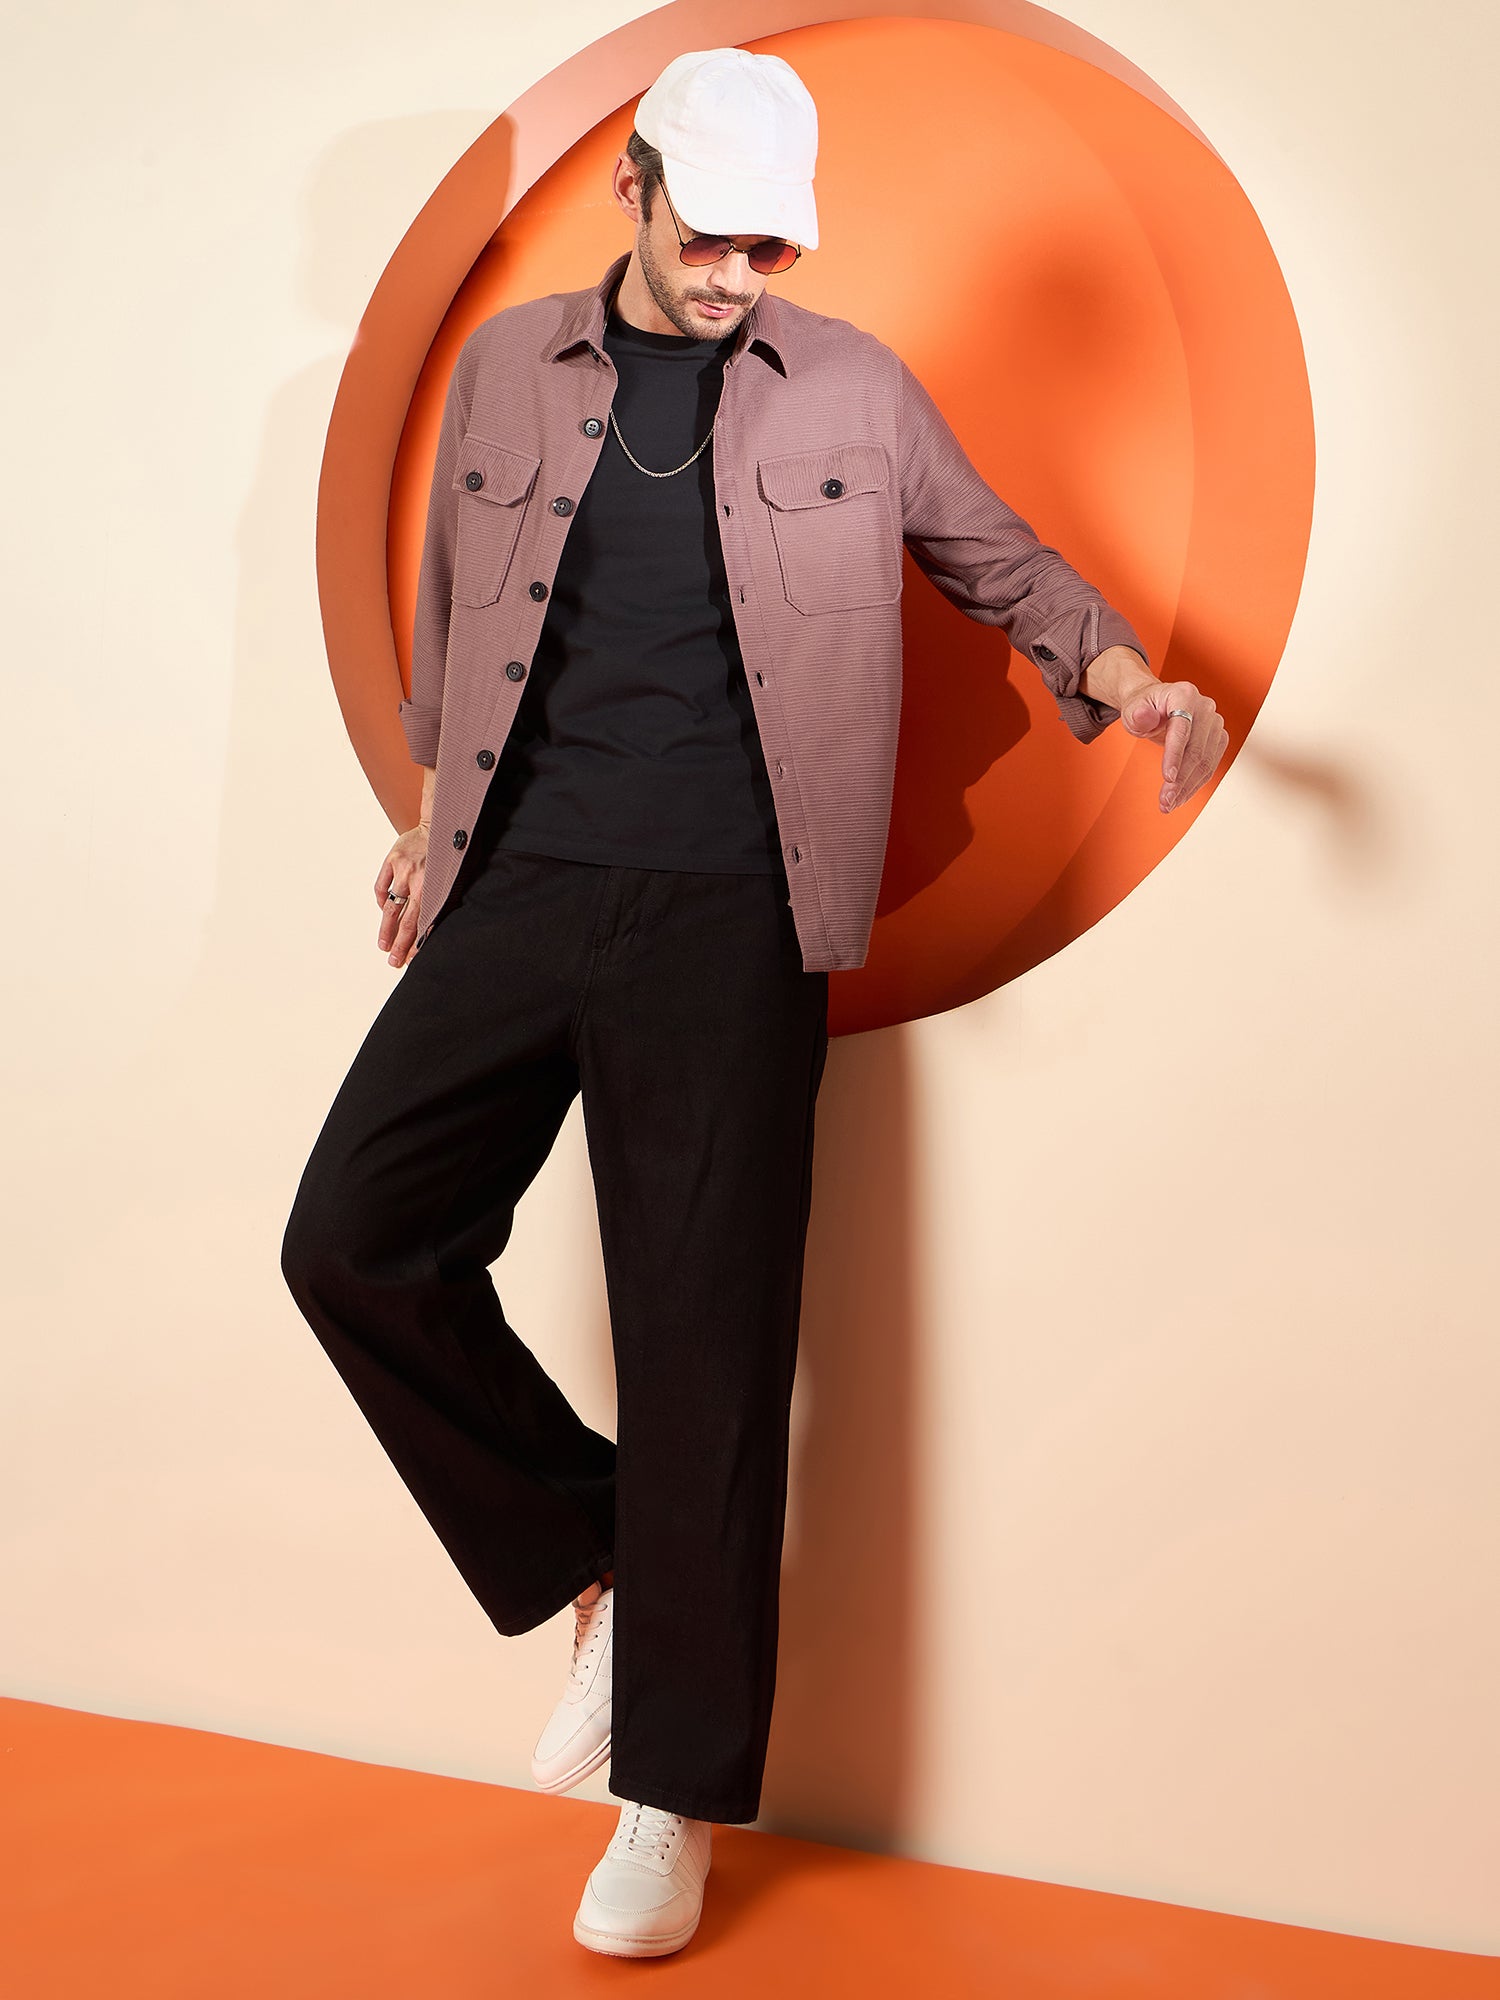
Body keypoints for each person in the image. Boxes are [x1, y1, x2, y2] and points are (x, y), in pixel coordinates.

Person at [280, 44, 1228, 1962]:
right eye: (711, 238)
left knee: (705, 1353)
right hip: (521, 881)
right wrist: (428, 819)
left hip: (734, 913)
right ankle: (601, 1557)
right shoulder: (507, 370)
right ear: (633, 190)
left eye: (771, 249)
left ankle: (673, 1798)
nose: (737, 277)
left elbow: (999, 561)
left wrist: (1129, 683)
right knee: (354, 1242)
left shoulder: (855, 390)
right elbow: (458, 605)